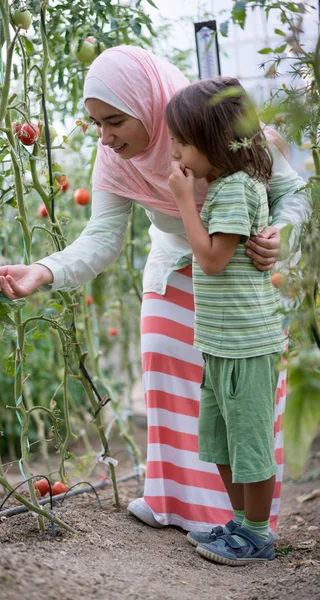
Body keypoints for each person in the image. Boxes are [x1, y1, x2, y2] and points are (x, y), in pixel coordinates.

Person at [0, 46, 310, 534]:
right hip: (177, 259)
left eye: (115, 121)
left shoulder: (225, 135)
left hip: (247, 269)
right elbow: (101, 238)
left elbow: (294, 192)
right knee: (165, 363)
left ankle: (244, 522)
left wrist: (281, 236)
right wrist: (42, 271)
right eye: (96, 123)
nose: (105, 137)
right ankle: (174, 504)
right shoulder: (115, 162)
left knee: (243, 400)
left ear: (152, 106)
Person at [166, 77, 286, 565]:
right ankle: (240, 524)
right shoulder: (223, 187)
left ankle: (257, 536)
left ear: (213, 141)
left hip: (245, 342)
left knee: (249, 442)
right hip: (221, 340)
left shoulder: (235, 189)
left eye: (181, 142)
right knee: (221, 440)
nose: (175, 153)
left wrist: (182, 200)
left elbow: (214, 260)